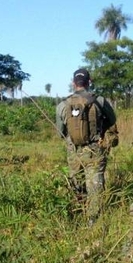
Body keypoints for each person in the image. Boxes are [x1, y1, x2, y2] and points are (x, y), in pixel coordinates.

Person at [56, 68, 117, 224]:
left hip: (73, 152)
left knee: (76, 181)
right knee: (95, 183)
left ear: (73, 83)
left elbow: (60, 133)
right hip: (94, 149)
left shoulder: (63, 105)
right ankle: (93, 220)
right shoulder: (99, 101)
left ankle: (78, 213)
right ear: (89, 82)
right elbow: (112, 120)